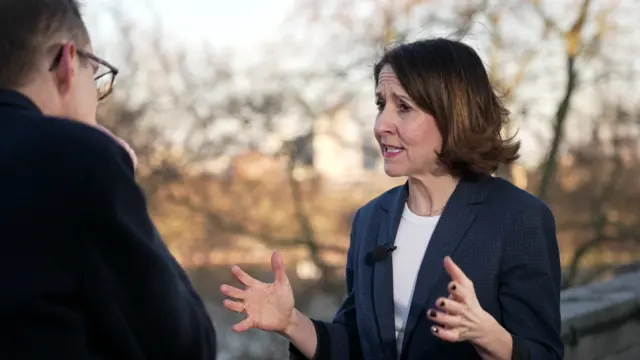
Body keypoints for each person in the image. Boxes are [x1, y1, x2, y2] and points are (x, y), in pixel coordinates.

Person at [220, 38, 563, 360]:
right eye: (381, 104)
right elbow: (356, 344)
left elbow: (544, 353)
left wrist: (488, 336)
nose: (381, 124)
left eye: (404, 107)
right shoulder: (371, 219)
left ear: (452, 114)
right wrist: (291, 322)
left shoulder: (519, 218)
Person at [0, 1, 217, 359]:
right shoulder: (77, 159)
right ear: (68, 62)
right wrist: (121, 187)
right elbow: (186, 347)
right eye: (97, 75)